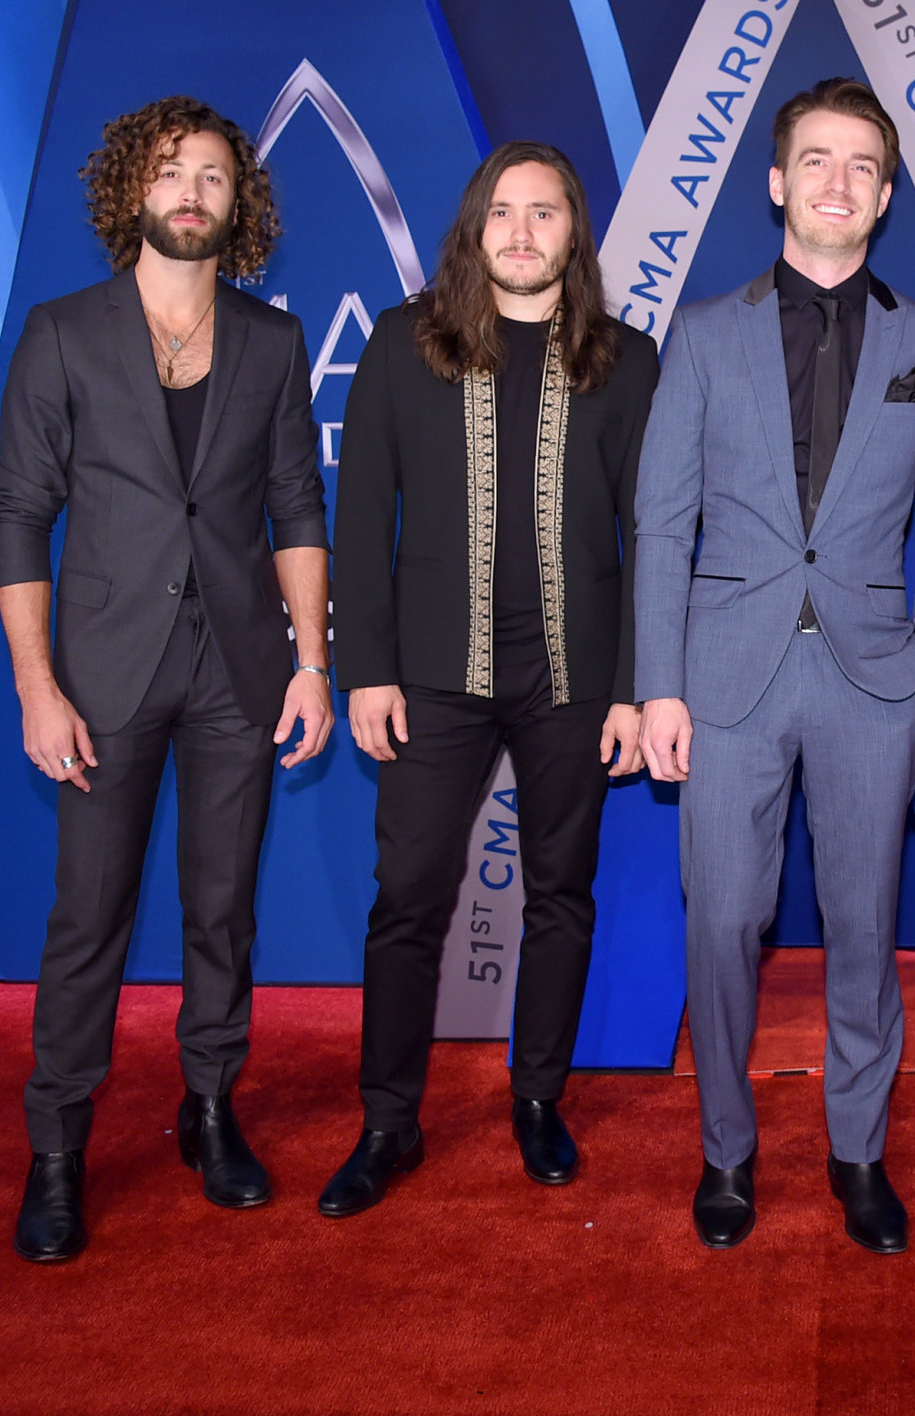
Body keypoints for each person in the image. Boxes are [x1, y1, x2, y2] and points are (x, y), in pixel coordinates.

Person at [635, 77, 915, 1254]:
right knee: (722, 921)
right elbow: (660, 523)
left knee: (863, 923)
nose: (837, 182)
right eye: (815, 161)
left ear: (884, 195)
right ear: (776, 182)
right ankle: (726, 1150)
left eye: (861, 167)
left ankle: (858, 1150)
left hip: (876, 683)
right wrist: (657, 686)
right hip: (721, 677)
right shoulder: (703, 334)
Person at [0, 97, 332, 1262]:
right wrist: (38, 686)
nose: (191, 191)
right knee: (88, 918)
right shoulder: (61, 334)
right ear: (128, 192)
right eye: (170, 173)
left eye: (213, 177)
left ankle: (208, 1110)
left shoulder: (273, 343)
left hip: (239, 672)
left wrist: (312, 664)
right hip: (99, 676)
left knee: (222, 913)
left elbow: (297, 505)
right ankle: (57, 1150)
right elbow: (20, 516)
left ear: (241, 207)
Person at [320, 142, 657, 1217]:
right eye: (501, 212)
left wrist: (633, 685)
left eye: (543, 213)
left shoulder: (624, 359)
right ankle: (387, 1121)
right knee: (407, 898)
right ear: (473, 228)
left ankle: (538, 1101)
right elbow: (361, 518)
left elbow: (651, 532)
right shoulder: (400, 344)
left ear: (573, 232)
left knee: (562, 894)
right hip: (431, 680)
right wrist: (363, 671)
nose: (521, 232)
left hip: (575, 678)